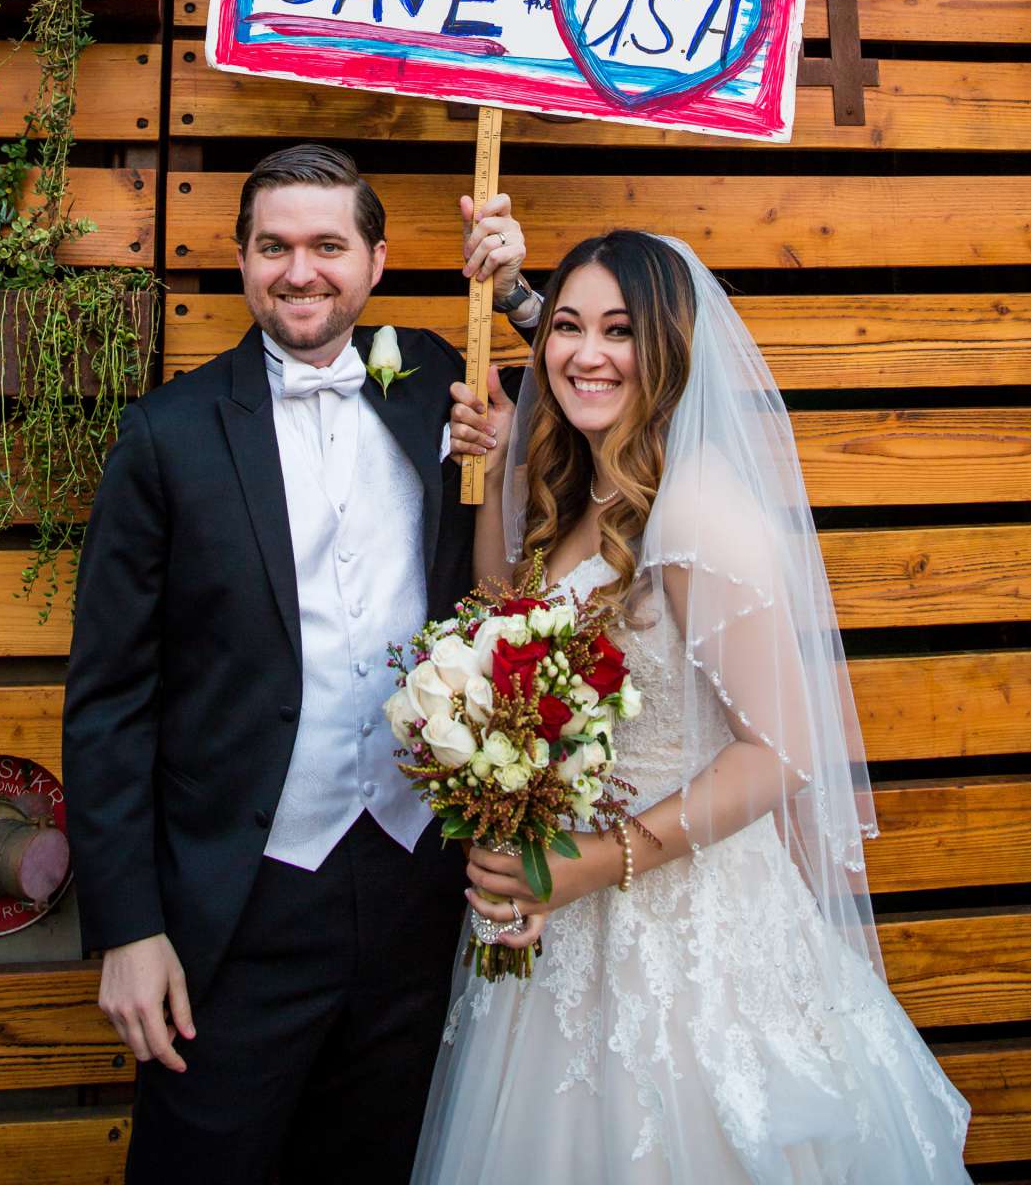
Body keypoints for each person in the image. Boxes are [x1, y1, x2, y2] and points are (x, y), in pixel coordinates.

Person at [421, 229, 974, 1185]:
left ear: (669, 347)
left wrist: (596, 862)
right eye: (566, 327)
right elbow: (502, 630)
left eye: (619, 331)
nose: (586, 355)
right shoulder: (580, 491)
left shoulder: (701, 512)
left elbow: (776, 754)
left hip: (679, 929)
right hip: (561, 920)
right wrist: (498, 469)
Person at [61, 141, 538, 1183]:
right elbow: (108, 699)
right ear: (241, 262)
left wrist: (519, 299)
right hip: (241, 900)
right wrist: (128, 929)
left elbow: (613, 397)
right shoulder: (166, 435)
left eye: (328, 245)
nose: (300, 270)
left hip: (418, 879)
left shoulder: (443, 387)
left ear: (373, 262)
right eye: (272, 246)